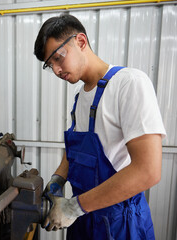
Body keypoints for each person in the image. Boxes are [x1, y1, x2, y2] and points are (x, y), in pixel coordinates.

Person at [34, 14, 166, 239]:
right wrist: (57, 179)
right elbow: (77, 152)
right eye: (49, 65)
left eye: (58, 57)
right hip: (84, 219)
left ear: (81, 42)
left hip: (120, 224)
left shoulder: (129, 84)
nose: (56, 70)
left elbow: (148, 171)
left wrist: (74, 207)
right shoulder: (80, 96)